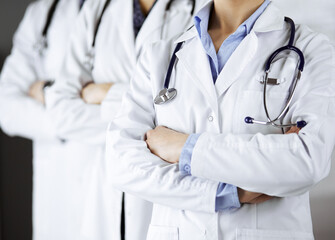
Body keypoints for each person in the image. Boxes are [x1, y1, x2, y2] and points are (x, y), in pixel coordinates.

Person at [107, 0, 335, 239]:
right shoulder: (159, 56)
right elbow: (122, 164)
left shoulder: (312, 49)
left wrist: (184, 148)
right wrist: (223, 193)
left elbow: (307, 160)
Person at [45, 0, 208, 239]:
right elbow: (61, 112)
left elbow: (198, 103)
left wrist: (103, 93)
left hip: (170, 194)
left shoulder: (202, 8)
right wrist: (143, 116)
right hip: (103, 187)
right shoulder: (98, 8)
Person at [0, 0, 87, 239]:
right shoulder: (43, 13)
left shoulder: (130, 13)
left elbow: (126, 99)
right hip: (56, 188)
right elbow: (6, 106)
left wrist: (47, 93)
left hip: (107, 179)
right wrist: (75, 117)